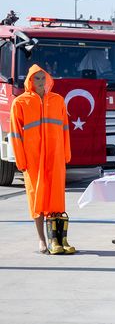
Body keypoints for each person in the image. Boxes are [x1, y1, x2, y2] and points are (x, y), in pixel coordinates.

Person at [10, 65, 71, 254]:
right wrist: (21, 160)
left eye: (43, 78)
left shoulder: (57, 100)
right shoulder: (20, 103)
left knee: (56, 198)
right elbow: (15, 134)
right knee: (36, 197)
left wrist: (66, 154)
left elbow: (65, 129)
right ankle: (41, 239)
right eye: (36, 78)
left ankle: (58, 239)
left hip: (55, 156)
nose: (40, 82)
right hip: (33, 158)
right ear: (29, 80)